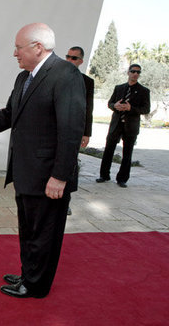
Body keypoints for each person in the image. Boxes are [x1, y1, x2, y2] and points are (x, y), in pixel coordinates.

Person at [0, 23, 85, 298]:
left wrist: (60, 176)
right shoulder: (25, 78)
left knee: (45, 233)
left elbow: (71, 130)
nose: (14, 53)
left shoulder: (65, 74)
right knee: (30, 229)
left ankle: (36, 285)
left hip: (49, 176)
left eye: (18, 47)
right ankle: (29, 273)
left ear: (37, 47)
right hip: (26, 173)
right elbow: (10, 114)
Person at [96, 64, 150, 188]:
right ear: (128, 72)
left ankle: (122, 179)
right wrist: (115, 106)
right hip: (116, 124)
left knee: (127, 153)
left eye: (138, 72)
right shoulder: (119, 88)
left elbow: (146, 109)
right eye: (133, 71)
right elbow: (110, 103)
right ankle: (104, 175)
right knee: (108, 150)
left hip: (131, 126)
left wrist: (131, 108)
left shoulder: (144, 91)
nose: (135, 74)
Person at [65, 46, 94, 215]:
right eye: (68, 56)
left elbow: (88, 108)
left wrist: (86, 132)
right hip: (55, 129)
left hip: (74, 130)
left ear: (81, 61)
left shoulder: (87, 82)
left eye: (74, 58)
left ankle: (66, 200)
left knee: (70, 165)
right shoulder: (55, 77)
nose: (70, 60)